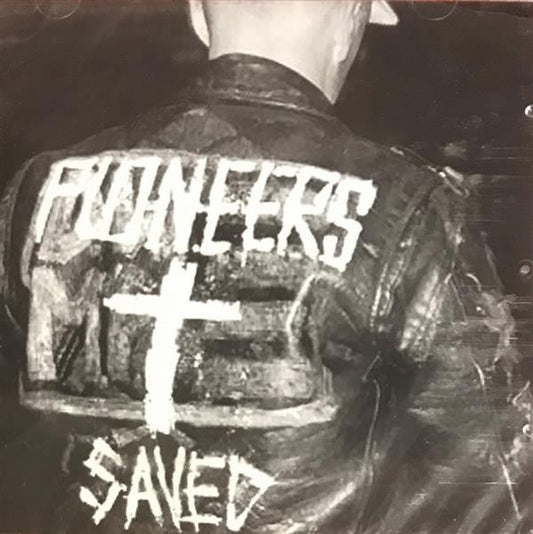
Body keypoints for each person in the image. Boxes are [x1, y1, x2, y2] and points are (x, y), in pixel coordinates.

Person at [0, 1, 530, 532]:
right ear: (351, 20)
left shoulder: (37, 189)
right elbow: (493, 485)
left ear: (198, 16)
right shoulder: (409, 209)